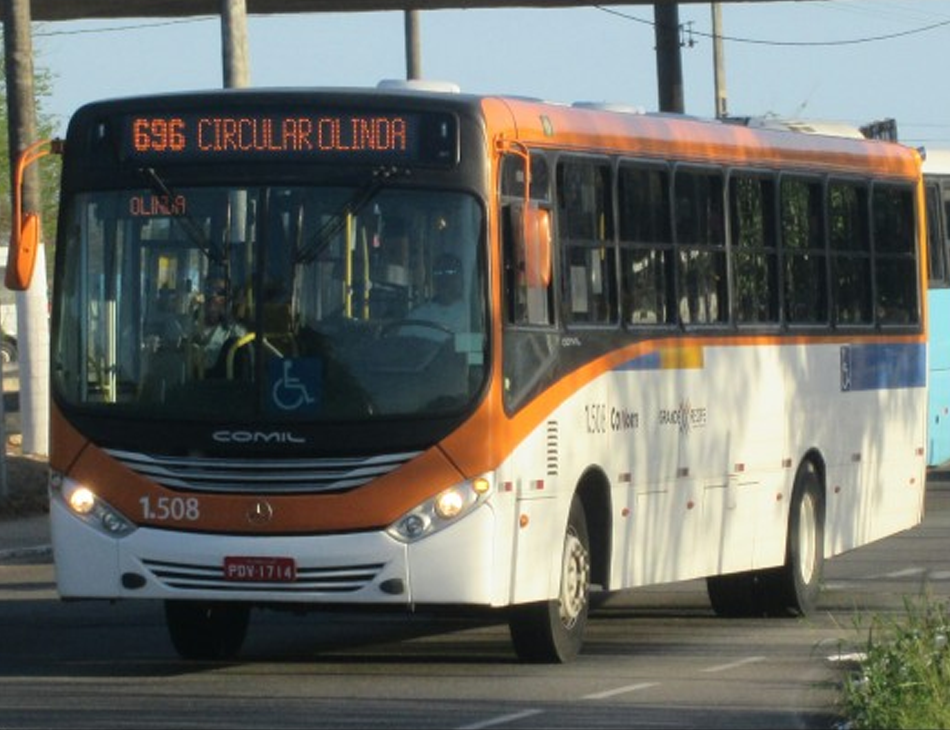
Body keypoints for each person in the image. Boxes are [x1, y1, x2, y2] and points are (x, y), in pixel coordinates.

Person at [195, 274, 248, 375]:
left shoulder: (237, 333)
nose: (213, 296)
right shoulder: (187, 326)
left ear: (229, 300)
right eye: (209, 290)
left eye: (220, 292)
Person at [406, 253, 467, 338]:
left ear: (461, 278)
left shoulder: (472, 316)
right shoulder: (417, 316)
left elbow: (482, 342)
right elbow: (402, 345)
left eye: (450, 272)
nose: (444, 278)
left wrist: (455, 344)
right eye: (438, 273)